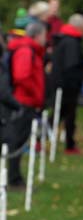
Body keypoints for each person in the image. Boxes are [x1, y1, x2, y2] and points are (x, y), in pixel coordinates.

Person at [3, 21, 46, 189]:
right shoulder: (26, 51)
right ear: (37, 35)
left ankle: (15, 176)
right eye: (43, 35)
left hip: (27, 100)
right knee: (17, 141)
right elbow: (22, 76)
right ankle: (13, 178)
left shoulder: (31, 50)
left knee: (20, 140)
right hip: (23, 101)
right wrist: (34, 94)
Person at [51, 13, 83, 154]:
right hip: (67, 87)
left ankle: (69, 144)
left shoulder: (64, 40)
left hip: (63, 85)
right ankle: (69, 145)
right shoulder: (71, 42)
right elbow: (71, 66)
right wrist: (75, 84)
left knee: (60, 114)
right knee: (66, 116)